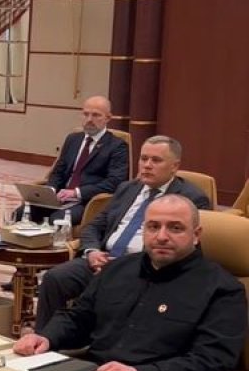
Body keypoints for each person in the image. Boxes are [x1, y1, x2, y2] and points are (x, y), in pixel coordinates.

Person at [15, 195, 246, 371]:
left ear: (196, 235)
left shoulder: (222, 290)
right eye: (153, 227)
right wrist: (47, 337)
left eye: (175, 228)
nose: (162, 236)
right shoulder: (117, 269)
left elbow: (213, 365)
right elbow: (79, 317)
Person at [34, 136, 211, 329]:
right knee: (54, 278)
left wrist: (122, 267)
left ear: (174, 166)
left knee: (111, 295)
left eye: (156, 160)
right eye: (143, 159)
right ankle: (45, 340)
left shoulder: (191, 199)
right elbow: (94, 226)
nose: (147, 165)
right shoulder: (127, 188)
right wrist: (92, 252)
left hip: (143, 270)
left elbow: (184, 248)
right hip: (101, 261)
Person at [28, 95, 129, 225]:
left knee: (57, 220)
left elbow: (114, 182)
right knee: (22, 212)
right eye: (86, 114)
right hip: (60, 197)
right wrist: (51, 191)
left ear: (108, 118)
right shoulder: (73, 139)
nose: (89, 119)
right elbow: (58, 171)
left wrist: (77, 193)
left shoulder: (117, 146)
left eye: (96, 115)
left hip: (87, 201)